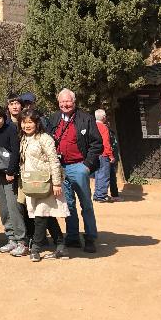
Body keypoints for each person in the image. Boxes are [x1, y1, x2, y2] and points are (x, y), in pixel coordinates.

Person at [46, 89, 102, 253]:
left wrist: (87, 165)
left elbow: (96, 144)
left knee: (86, 203)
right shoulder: (54, 118)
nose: (65, 104)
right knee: (68, 203)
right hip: (61, 167)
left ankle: (90, 237)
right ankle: (72, 236)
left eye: (68, 101)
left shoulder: (86, 118)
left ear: (74, 102)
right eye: (62, 102)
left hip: (79, 166)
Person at [19, 109, 70, 261]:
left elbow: (54, 161)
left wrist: (56, 183)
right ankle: (61, 246)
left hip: (45, 183)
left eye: (30, 122)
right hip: (30, 182)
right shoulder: (23, 138)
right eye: (24, 122)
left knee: (40, 215)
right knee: (46, 215)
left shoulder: (45, 138)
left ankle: (36, 248)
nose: (26, 125)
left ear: (36, 123)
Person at [0, 105, 27, 256]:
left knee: (13, 207)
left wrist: (11, 171)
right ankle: (11, 238)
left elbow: (16, 151)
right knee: (3, 208)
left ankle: (21, 240)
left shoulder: (11, 129)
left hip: (9, 175)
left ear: (4, 117)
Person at [93, 109, 116, 203]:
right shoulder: (103, 127)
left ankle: (97, 194)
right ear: (103, 117)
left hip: (94, 154)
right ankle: (101, 196)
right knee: (104, 174)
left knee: (98, 174)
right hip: (103, 154)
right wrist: (111, 155)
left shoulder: (92, 126)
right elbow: (106, 142)